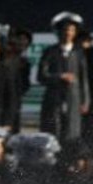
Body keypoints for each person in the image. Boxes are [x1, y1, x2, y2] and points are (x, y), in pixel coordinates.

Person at [39, 13, 89, 144]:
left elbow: (84, 79)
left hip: (74, 100)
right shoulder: (49, 52)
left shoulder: (78, 53)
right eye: (65, 29)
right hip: (53, 100)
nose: (68, 33)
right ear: (59, 31)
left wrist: (86, 101)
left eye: (71, 30)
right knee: (53, 133)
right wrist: (60, 76)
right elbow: (41, 76)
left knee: (72, 135)